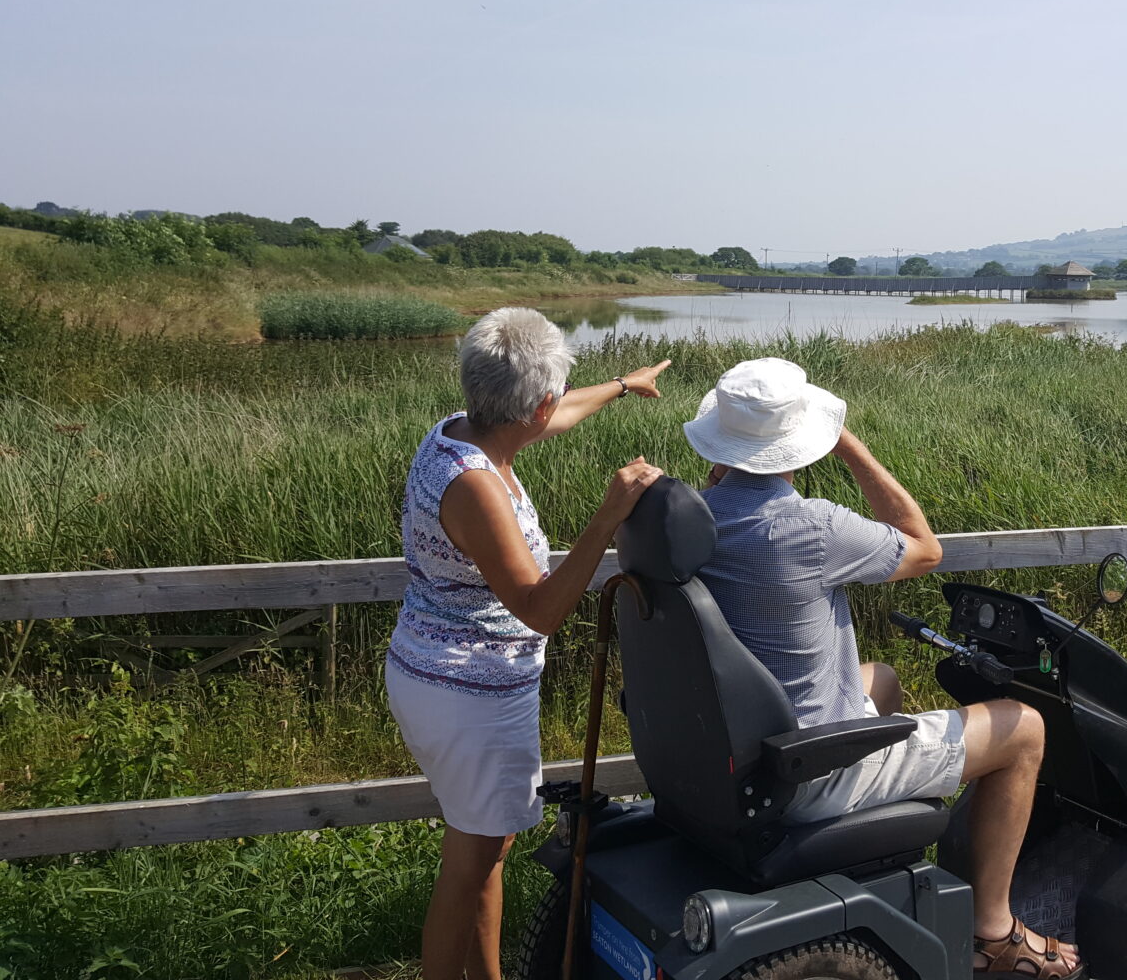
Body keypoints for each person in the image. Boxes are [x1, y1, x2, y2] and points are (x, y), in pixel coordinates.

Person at [684, 357, 1082, 980]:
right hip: (809, 769)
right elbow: (924, 547)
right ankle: (993, 930)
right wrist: (849, 446)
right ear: (798, 441)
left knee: (884, 679)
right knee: (1024, 727)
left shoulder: (695, 520)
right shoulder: (811, 525)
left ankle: (883, 856)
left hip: (743, 743)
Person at [386, 307, 671, 980]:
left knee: (487, 851)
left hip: (438, 676)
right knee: (469, 867)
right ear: (532, 407)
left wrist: (623, 386)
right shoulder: (477, 487)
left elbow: (557, 411)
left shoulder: (460, 434)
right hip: (468, 698)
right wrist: (607, 518)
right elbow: (540, 610)